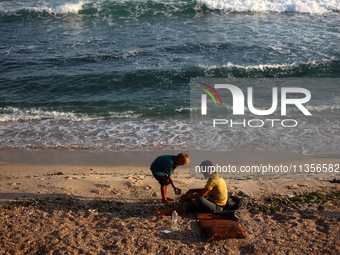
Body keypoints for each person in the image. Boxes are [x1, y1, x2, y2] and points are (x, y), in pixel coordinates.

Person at [156, 160, 228, 215]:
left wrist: (188, 197)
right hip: (213, 201)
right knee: (191, 206)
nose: (202, 173)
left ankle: (166, 212)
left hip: (218, 207)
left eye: (203, 171)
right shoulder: (215, 175)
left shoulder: (213, 180)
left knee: (199, 200)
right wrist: (193, 190)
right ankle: (166, 212)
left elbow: (201, 195)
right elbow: (206, 190)